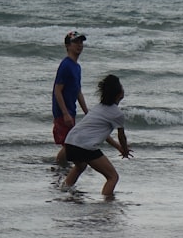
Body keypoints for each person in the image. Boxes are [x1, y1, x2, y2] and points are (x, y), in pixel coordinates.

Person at [61, 74, 132, 197]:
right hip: (85, 146)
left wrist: (118, 147)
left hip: (70, 142)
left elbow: (101, 134)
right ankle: (106, 204)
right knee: (113, 177)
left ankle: (64, 191)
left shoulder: (98, 108)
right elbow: (122, 137)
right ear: (119, 93)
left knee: (80, 166)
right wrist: (125, 150)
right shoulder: (117, 114)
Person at [52, 31, 89, 166]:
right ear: (68, 46)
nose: (79, 45)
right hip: (63, 112)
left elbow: (78, 91)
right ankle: (58, 167)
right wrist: (65, 113)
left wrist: (87, 112)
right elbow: (57, 90)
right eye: (76, 42)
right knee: (69, 144)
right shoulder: (66, 65)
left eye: (81, 42)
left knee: (70, 143)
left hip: (71, 110)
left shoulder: (77, 67)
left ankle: (62, 168)